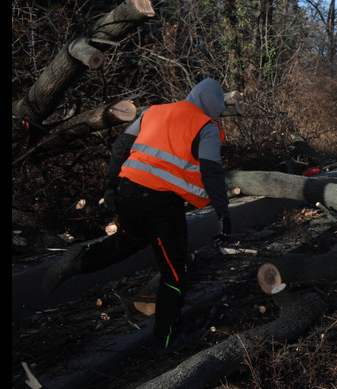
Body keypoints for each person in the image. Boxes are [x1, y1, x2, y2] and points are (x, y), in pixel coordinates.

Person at [42, 78, 232, 351]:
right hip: (161, 204)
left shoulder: (153, 111)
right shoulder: (206, 127)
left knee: (129, 241)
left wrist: (110, 186)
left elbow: (121, 146)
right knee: (174, 274)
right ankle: (169, 339)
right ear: (213, 104)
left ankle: (79, 260)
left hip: (127, 191)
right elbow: (212, 171)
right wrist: (223, 213)